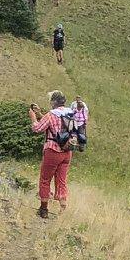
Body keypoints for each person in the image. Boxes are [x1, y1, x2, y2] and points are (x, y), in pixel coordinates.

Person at [28, 90, 82, 219]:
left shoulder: (51, 115)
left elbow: (38, 128)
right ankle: (62, 209)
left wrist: (33, 117)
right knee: (61, 180)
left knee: (45, 179)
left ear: (53, 102)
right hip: (67, 151)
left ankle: (43, 209)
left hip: (53, 150)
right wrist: (40, 114)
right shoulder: (70, 113)